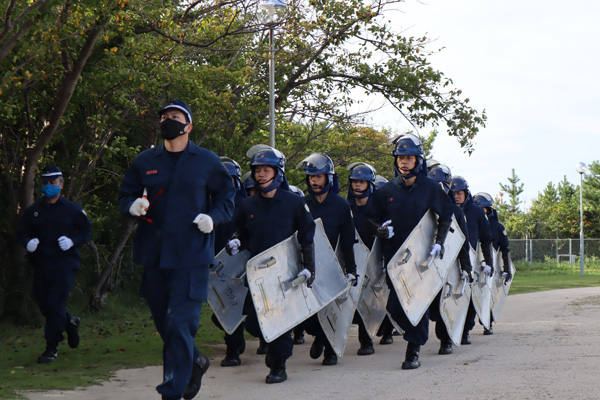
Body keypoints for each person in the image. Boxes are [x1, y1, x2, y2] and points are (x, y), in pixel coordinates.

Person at [118, 99, 235, 400]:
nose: (168, 120)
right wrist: (132, 205)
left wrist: (213, 217)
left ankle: (170, 392)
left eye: (175, 116)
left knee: (181, 324)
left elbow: (227, 198)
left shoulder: (207, 161)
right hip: (154, 255)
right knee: (165, 326)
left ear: (188, 125)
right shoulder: (146, 160)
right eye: (164, 116)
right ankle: (195, 361)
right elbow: (126, 193)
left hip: (191, 256)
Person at [225, 146, 316, 384]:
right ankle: (272, 346)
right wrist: (236, 241)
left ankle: (278, 365)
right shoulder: (248, 205)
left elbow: (307, 235)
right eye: (258, 171)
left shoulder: (294, 203)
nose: (261, 175)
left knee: (280, 320)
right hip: (257, 275)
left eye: (266, 170)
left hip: (285, 272)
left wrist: (309, 267)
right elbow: (243, 232)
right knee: (254, 323)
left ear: (278, 173)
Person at [365, 133, 454, 370]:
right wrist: (379, 230)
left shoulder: (431, 188)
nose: (404, 162)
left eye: (409, 157)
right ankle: (415, 333)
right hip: (395, 259)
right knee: (394, 306)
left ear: (418, 160)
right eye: (400, 157)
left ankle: (413, 351)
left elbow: (446, 215)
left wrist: (440, 242)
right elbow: (370, 219)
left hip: (423, 258)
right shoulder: (385, 191)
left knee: (418, 303)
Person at [16, 165, 92, 363]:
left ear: (61, 184)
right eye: (45, 183)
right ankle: (69, 322)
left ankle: (52, 347)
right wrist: (27, 243)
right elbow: (21, 232)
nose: (49, 186)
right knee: (44, 305)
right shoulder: (34, 212)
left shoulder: (72, 210)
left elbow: (86, 232)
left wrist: (72, 241)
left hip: (65, 265)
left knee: (55, 303)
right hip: (42, 264)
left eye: (53, 182)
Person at [297, 152, 358, 366]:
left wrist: (351, 269)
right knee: (309, 318)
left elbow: (348, 241)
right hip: (308, 267)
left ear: (328, 178)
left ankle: (330, 349)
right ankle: (319, 336)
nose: (314, 181)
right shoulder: (301, 204)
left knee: (330, 309)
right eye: (311, 177)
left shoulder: (341, 206)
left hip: (332, 267)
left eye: (319, 176)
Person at [427, 164, 474, 355]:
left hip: (449, 265)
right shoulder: (424, 209)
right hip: (429, 264)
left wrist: (466, 267)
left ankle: (445, 340)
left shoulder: (457, 212)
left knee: (443, 303)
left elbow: (463, 241)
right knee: (431, 309)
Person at [451, 176, 494, 346]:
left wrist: (489, 262)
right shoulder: (446, 209)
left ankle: (466, 330)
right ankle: (450, 329)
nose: (456, 196)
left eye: (459, 193)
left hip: (470, 259)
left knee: (468, 296)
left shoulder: (476, 212)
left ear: (466, 193)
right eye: (453, 193)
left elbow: (486, 239)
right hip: (450, 259)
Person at [473, 191, 512, 334]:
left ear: (488, 210)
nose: (480, 213)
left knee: (487, 295)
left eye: (482, 209)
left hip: (490, 266)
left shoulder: (497, 227)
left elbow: (505, 249)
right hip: (475, 265)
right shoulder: (471, 225)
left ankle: (487, 323)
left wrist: (506, 268)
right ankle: (466, 327)